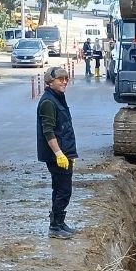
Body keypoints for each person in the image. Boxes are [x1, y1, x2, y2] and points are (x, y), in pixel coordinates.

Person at [35, 66, 79, 239]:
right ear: (49, 82)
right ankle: (54, 227)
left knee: (59, 188)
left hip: (64, 152)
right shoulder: (48, 102)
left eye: (66, 79)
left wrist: (69, 154)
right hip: (56, 154)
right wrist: (59, 153)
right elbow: (49, 131)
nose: (64, 82)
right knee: (64, 190)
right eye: (60, 79)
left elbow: (64, 128)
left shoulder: (58, 98)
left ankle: (59, 223)